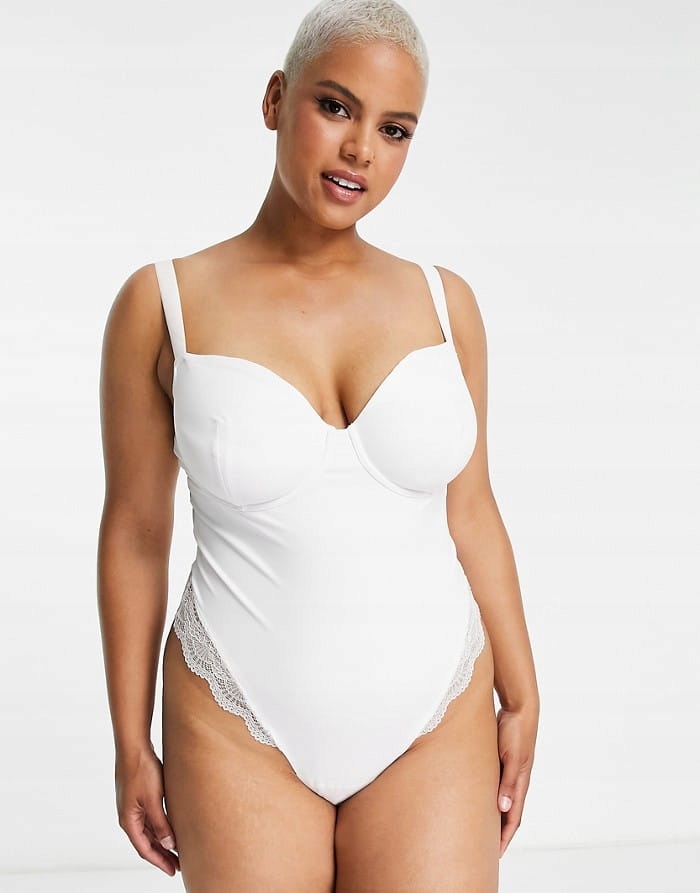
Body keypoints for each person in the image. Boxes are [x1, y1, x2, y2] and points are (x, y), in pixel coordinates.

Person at [97, 0, 540, 889]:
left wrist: (524, 691)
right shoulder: (162, 304)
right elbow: (137, 533)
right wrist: (129, 740)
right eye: (335, 106)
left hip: (435, 711)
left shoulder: (446, 304)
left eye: (395, 129)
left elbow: (472, 507)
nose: (361, 149)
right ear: (275, 99)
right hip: (236, 718)